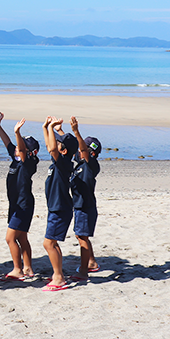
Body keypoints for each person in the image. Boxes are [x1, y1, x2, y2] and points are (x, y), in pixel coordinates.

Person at [0, 113, 39, 281]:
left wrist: (17, 133)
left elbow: (20, 148)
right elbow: (9, 143)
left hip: (23, 205)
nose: (15, 149)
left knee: (10, 238)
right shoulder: (17, 158)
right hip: (16, 204)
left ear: (28, 151)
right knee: (21, 237)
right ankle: (28, 268)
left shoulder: (28, 163)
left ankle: (17, 269)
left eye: (20, 148)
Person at [41, 116, 77, 291]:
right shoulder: (60, 160)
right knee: (52, 243)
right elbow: (51, 146)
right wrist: (46, 127)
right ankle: (58, 273)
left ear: (63, 150)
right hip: (56, 207)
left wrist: (51, 128)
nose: (55, 143)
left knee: (49, 244)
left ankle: (59, 277)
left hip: (60, 208)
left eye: (59, 142)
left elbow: (52, 147)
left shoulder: (62, 162)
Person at [70, 116, 101, 279]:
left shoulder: (91, 165)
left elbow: (84, 151)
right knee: (81, 235)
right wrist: (59, 131)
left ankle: (84, 271)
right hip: (80, 205)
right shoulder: (80, 166)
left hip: (86, 206)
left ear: (92, 153)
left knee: (82, 237)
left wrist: (76, 131)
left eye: (83, 150)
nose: (78, 152)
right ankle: (92, 262)